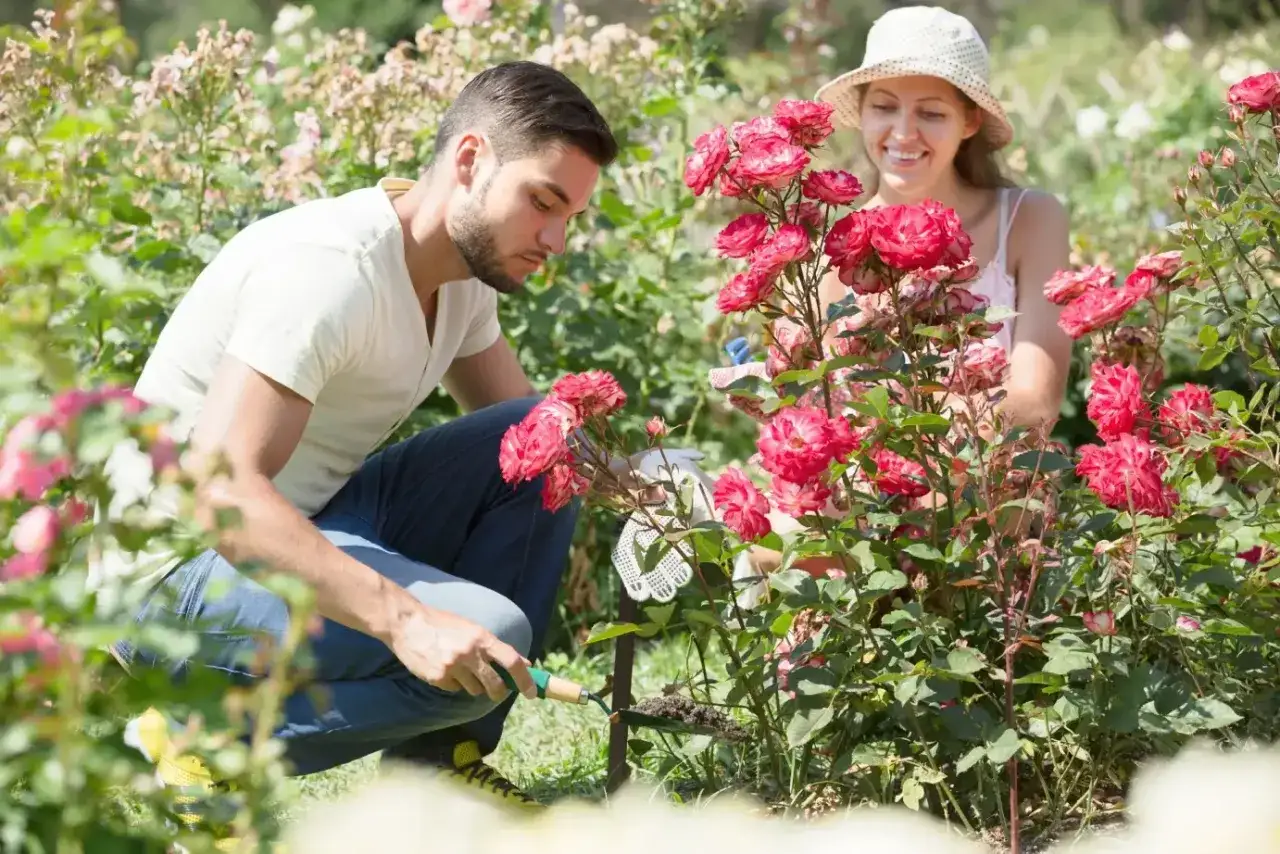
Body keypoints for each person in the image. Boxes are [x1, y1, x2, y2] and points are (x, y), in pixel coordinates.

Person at [100, 60, 619, 817]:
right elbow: (218, 489)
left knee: (551, 438)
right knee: (487, 635)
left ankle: (439, 763)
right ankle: (199, 735)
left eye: (569, 214)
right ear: (470, 161)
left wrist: (680, 502)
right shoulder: (330, 271)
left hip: (309, 519)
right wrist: (406, 620)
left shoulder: (459, 277)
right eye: (542, 202)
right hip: (176, 573)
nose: (555, 239)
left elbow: (533, 442)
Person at [726, 5, 1075, 584]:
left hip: (993, 506)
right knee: (765, 543)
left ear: (968, 122)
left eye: (931, 113)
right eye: (884, 107)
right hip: (868, 520)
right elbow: (818, 422)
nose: (903, 134)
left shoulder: (1030, 220)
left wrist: (931, 478)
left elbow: (1034, 403)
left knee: (777, 554)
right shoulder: (824, 256)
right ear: (861, 114)